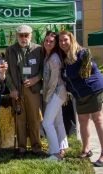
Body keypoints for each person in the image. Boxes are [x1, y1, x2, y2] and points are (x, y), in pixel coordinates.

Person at [59, 30, 103, 167]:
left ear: (72, 40)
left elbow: (92, 68)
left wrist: (87, 62)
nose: (63, 43)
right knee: (82, 121)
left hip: (94, 90)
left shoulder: (81, 53)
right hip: (79, 95)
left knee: (98, 120)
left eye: (65, 40)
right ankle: (86, 149)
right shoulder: (64, 57)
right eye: (61, 41)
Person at [4, 25, 45, 159]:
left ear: (31, 36)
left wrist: (35, 79)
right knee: (20, 120)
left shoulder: (38, 49)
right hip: (18, 90)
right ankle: (21, 148)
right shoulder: (10, 50)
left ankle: (36, 147)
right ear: (17, 36)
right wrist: (12, 89)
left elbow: (43, 69)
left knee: (34, 119)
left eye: (26, 35)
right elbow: (7, 72)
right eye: (21, 36)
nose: (23, 38)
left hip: (32, 90)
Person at [42, 31, 68, 161]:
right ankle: (61, 148)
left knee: (47, 123)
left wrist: (47, 98)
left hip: (57, 93)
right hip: (57, 93)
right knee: (58, 121)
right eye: (46, 40)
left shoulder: (54, 58)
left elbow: (53, 81)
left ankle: (55, 153)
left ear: (55, 44)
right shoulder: (48, 56)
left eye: (51, 41)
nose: (48, 43)